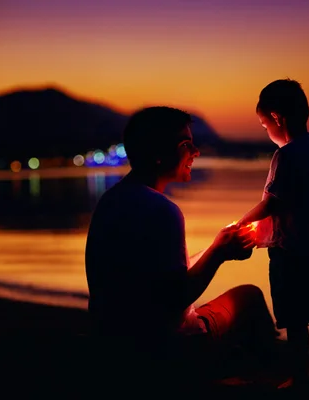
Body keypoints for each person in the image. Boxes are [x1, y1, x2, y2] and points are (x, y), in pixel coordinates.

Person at [84, 106, 278, 384]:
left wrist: (216, 245)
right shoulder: (162, 210)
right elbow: (175, 298)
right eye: (186, 144)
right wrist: (219, 253)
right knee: (248, 298)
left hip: (110, 344)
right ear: (158, 155)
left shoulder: (110, 202)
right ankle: (277, 379)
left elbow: (153, 277)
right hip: (162, 352)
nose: (195, 152)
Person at [235, 79, 309, 388]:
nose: (266, 131)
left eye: (265, 124)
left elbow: (271, 203)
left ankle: (298, 375)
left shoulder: (287, 156)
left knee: (293, 316)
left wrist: (239, 224)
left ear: (278, 118)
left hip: (289, 248)